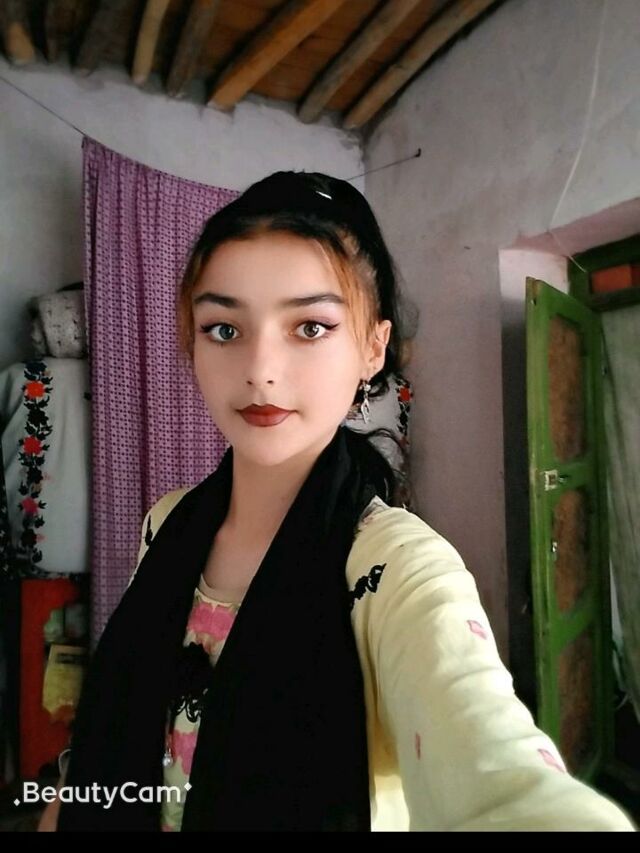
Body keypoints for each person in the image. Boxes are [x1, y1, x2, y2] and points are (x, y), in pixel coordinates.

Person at [40, 171, 635, 832]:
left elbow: (503, 776)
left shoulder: (397, 567)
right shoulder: (166, 520)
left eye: (310, 327)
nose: (261, 369)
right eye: (224, 329)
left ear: (373, 348)